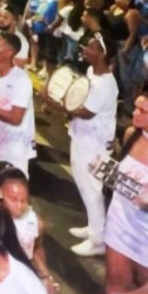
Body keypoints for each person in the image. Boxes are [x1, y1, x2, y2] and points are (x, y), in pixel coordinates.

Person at [48, 31, 118, 258]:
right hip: (82, 138)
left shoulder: (106, 84)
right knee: (84, 185)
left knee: (92, 190)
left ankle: (98, 240)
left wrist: (55, 104)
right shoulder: (91, 73)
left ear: (102, 54)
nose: (85, 50)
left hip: (95, 146)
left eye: (90, 47)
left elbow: (85, 112)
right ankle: (93, 226)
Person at [99, 93, 148, 294]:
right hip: (120, 222)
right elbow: (118, 174)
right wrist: (103, 170)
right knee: (115, 283)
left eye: (143, 109)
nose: (135, 111)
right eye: (137, 105)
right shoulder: (131, 134)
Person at [0, 163, 58, 294]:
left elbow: (35, 249)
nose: (19, 206)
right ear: (0, 192)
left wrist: (45, 276)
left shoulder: (35, 223)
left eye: (23, 200)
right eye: (13, 199)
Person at [0, 34, 35, 176]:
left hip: (13, 149)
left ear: (9, 52)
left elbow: (15, 118)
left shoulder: (21, 80)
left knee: (12, 188)